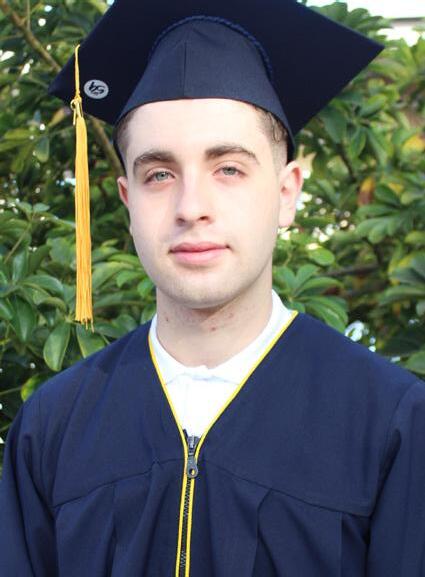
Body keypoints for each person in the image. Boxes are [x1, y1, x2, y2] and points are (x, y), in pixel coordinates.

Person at [1, 0, 424, 575]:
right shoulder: (51, 428)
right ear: (127, 201)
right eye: (159, 174)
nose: (191, 207)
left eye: (228, 168)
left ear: (287, 193)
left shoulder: (392, 421)